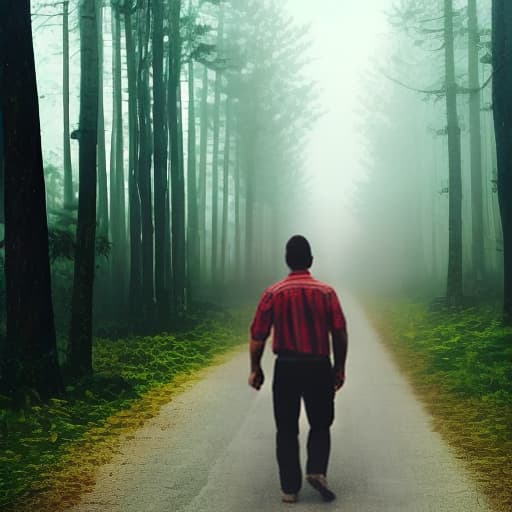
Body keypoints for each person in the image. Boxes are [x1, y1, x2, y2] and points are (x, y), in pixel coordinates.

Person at [248, 235, 348, 504]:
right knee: (320, 423)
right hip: (318, 367)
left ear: (287, 261)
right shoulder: (326, 293)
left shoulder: (274, 293)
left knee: (286, 427)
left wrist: (255, 368)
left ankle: (290, 489)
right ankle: (316, 469)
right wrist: (339, 368)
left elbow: (258, 335)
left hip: (287, 368)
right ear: (311, 261)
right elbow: (339, 332)